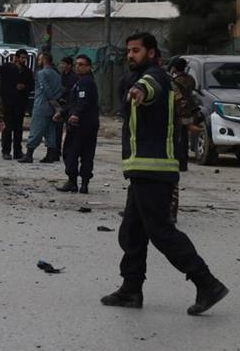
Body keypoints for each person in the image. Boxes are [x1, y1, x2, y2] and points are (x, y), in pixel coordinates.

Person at [101, 32, 228, 315]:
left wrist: (139, 91)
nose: (130, 55)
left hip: (153, 169)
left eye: (136, 50)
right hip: (142, 170)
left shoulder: (154, 76)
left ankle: (207, 283)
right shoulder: (147, 75)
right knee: (132, 231)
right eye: (129, 51)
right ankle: (131, 289)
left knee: (161, 232)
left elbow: (149, 88)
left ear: (151, 52)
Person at [54, 54, 99, 194]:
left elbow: (82, 102)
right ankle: (84, 184)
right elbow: (73, 103)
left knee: (71, 152)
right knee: (87, 153)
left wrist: (75, 115)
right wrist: (62, 113)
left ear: (88, 67)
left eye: (81, 64)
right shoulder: (81, 81)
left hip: (81, 125)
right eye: (77, 64)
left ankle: (73, 182)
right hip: (88, 125)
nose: (78, 67)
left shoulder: (85, 82)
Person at [0, 49, 34, 160]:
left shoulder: (27, 72)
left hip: (20, 104)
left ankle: (18, 151)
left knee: (18, 129)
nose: (24, 60)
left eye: (25, 58)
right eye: (22, 57)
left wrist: (24, 87)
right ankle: (6, 151)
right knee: (7, 128)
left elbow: (32, 85)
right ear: (16, 58)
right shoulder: (8, 68)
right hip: (7, 103)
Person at [19, 53, 62, 163]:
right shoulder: (57, 75)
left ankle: (29, 154)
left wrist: (51, 101)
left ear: (43, 60)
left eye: (39, 59)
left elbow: (44, 88)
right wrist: (56, 106)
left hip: (42, 105)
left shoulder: (41, 73)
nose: (38, 61)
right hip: (53, 108)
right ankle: (50, 154)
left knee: (36, 129)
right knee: (50, 130)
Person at [55, 56, 76, 154]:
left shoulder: (74, 77)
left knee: (70, 129)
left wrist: (66, 91)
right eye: (61, 63)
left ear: (70, 65)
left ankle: (70, 150)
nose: (62, 66)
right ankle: (57, 150)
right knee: (58, 128)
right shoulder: (60, 75)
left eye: (64, 64)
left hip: (69, 105)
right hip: (60, 104)